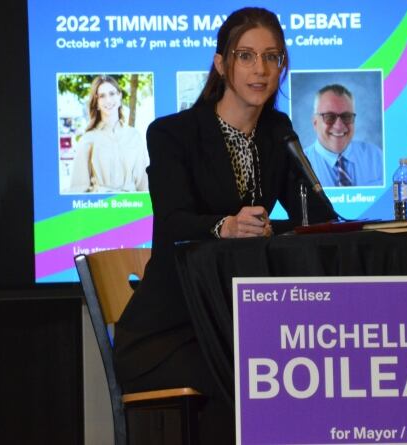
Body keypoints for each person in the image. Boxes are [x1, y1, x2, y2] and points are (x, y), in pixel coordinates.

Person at [113, 7, 336, 444]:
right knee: (254, 384)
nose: (261, 69)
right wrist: (225, 227)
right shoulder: (172, 133)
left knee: (307, 369)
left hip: (241, 325)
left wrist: (286, 223)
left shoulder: (277, 130)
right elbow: (174, 221)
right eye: (247, 56)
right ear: (221, 64)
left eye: (272, 57)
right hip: (171, 334)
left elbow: (314, 218)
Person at [68, 75, 149, 193]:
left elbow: (143, 184)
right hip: (100, 208)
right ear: (96, 103)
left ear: (120, 96)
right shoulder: (88, 139)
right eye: (102, 96)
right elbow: (78, 188)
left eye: (112, 93)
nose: (108, 100)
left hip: (133, 207)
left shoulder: (134, 136)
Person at [303, 83, 384, 187]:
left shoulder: (375, 157)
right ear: (315, 122)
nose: (338, 126)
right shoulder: (301, 165)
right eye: (329, 116)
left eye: (346, 116)